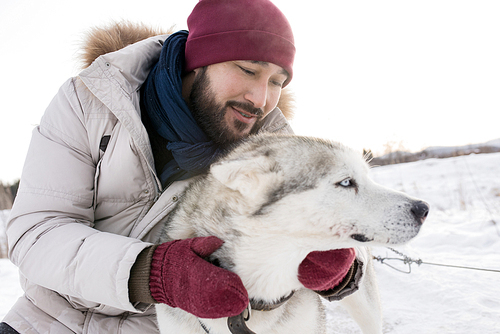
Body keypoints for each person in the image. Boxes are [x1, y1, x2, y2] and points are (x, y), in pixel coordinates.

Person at [1, 0, 360, 333]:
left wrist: (338, 269)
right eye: (249, 70)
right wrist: (151, 273)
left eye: (277, 83)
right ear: (198, 61)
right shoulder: (92, 101)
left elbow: (313, 227)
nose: (261, 99)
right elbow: (37, 232)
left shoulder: (272, 152)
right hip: (44, 320)